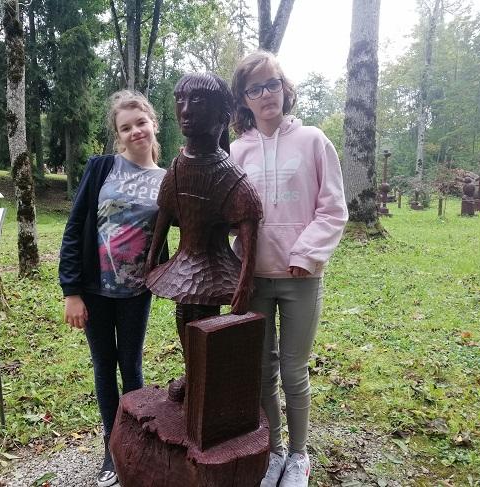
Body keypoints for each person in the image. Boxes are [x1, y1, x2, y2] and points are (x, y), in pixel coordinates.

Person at [230, 51, 348, 487]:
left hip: (302, 277)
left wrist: (306, 254)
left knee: (294, 371)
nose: (266, 94)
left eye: (273, 83)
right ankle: (274, 451)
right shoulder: (236, 151)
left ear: (285, 87)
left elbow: (333, 208)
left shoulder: (314, 141)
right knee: (262, 371)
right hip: (255, 278)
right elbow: (230, 216)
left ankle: (299, 455)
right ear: (244, 99)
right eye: (255, 88)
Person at [59, 90, 167, 487]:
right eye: (125, 127)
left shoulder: (167, 180)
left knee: (131, 366)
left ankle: (134, 440)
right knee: (104, 365)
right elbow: (75, 228)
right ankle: (112, 446)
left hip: (137, 292)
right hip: (95, 290)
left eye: (140, 123)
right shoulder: (102, 168)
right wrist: (71, 291)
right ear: (118, 135)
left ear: (153, 124)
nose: (135, 131)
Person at [144, 73, 262, 399]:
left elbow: (250, 223)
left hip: (214, 264)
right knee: (183, 313)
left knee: (206, 321)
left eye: (197, 100)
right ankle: (193, 373)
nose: (185, 110)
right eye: (180, 100)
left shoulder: (230, 176)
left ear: (222, 116)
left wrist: (244, 282)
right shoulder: (178, 166)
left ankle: (206, 380)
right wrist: (152, 258)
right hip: (185, 261)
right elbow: (165, 212)